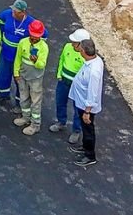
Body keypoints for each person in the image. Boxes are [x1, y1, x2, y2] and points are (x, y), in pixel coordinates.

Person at [0, 0, 44, 107]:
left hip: (19, 58)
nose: (13, 13)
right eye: (13, 10)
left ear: (23, 12)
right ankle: (3, 95)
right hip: (5, 54)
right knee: (2, 76)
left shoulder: (31, 22)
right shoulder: (6, 14)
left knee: (20, 81)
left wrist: (33, 49)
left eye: (16, 12)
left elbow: (43, 35)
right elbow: (0, 23)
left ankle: (20, 102)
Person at [69, 39, 104, 167]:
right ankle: (84, 147)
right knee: (85, 129)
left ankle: (90, 155)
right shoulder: (94, 61)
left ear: (83, 51)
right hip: (81, 102)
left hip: (85, 106)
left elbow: (93, 92)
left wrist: (87, 111)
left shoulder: (93, 71)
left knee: (88, 130)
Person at [51, 28, 89, 143]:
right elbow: (62, 60)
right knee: (60, 102)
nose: (72, 44)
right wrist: (59, 74)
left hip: (77, 86)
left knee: (78, 108)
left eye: (75, 43)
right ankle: (61, 122)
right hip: (63, 81)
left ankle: (76, 130)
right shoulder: (67, 47)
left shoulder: (86, 56)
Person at [13, 19, 50, 135]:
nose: (34, 38)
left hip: (35, 79)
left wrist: (36, 61)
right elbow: (18, 58)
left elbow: (42, 64)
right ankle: (26, 117)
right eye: (33, 35)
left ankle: (35, 124)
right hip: (23, 76)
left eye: (37, 36)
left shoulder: (43, 47)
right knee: (23, 98)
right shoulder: (23, 42)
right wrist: (16, 73)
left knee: (35, 101)